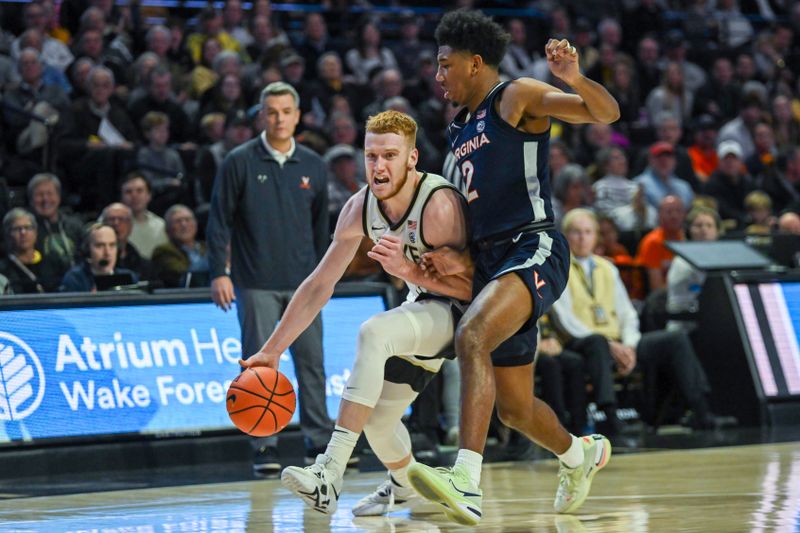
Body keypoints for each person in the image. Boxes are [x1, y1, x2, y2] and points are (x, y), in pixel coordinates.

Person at [405, 10, 620, 525]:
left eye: (445, 65)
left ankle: (466, 479)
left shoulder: (517, 96)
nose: (438, 76)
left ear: (474, 62)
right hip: (490, 263)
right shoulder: (456, 128)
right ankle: (579, 454)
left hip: (533, 245)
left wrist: (573, 78)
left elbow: (606, 114)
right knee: (515, 410)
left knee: (472, 336)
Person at [241, 110, 469, 515]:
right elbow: (318, 285)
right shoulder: (359, 207)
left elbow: (476, 288)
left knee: (373, 332)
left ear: (412, 158)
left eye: (390, 156)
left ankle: (329, 471)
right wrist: (273, 350)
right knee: (379, 421)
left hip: (464, 315)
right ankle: (405, 486)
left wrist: (410, 271)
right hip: (422, 309)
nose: (378, 167)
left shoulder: (439, 204)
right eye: (371, 156)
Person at [206, 81, 331, 475]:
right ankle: (264, 445)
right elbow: (218, 222)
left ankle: (319, 440)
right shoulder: (238, 161)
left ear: (297, 116)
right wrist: (218, 273)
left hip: (303, 284)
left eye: (286, 111)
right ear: (261, 115)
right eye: (271, 111)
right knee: (259, 367)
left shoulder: (314, 164)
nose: (278, 119)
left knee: (312, 364)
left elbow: (321, 229)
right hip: (254, 280)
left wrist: (322, 280)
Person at [551, 208, 715, 431]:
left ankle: (700, 409)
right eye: (576, 232)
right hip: (582, 342)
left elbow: (627, 313)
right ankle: (610, 415)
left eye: (588, 232)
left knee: (675, 339)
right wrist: (610, 345)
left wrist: (629, 345)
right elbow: (564, 319)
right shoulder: (557, 268)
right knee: (597, 343)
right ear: (565, 236)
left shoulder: (607, 268)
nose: (582, 238)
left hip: (618, 341)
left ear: (596, 236)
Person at [0, 208, 64, 293]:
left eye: (28, 227)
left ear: (36, 232)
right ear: (7, 235)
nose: (23, 232)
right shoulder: (3, 270)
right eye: (17, 228)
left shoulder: (53, 263)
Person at [59, 223, 138, 292]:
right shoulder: (75, 279)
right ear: (87, 250)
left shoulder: (129, 277)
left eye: (112, 245)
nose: (107, 253)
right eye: (99, 246)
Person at [151, 204, 209, 288]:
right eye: (178, 221)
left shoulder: (207, 247)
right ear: (168, 229)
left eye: (188, 220)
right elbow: (184, 276)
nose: (184, 225)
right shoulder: (163, 252)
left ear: (196, 224)